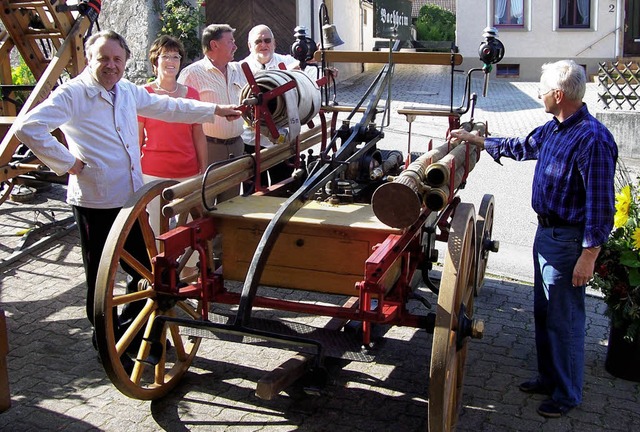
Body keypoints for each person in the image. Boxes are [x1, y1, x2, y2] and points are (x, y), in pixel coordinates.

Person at [14, 30, 241, 357]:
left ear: (125, 62)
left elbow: (170, 106)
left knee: (143, 272)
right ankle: (105, 343)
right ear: (90, 59)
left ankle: (136, 336)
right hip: (95, 200)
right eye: (103, 58)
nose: (111, 65)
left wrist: (215, 111)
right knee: (100, 278)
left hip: (130, 200)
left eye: (117, 59)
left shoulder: (127, 91)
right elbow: (27, 128)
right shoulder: (72, 94)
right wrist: (69, 164)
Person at [449, 60, 618, 418]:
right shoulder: (556, 128)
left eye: (542, 88)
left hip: (569, 242)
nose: (539, 93)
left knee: (565, 320)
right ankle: (548, 377)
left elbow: (601, 207)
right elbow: (519, 145)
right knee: (544, 313)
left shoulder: (593, 139)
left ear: (558, 94)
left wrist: (589, 256)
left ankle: (567, 394)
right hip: (546, 234)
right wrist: (474, 139)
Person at [138, 35, 207, 235]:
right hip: (153, 171)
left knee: (190, 226)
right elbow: (137, 138)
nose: (171, 61)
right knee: (158, 227)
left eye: (176, 57)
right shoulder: (144, 94)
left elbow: (198, 133)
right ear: (155, 61)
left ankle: (189, 266)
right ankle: (161, 265)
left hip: (187, 170)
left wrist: (203, 168)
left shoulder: (192, 94)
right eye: (165, 56)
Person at [178, 24, 247, 201]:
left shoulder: (239, 70)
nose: (235, 46)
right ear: (214, 45)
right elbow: (182, 113)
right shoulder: (192, 73)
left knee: (230, 205)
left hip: (236, 148)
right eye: (230, 41)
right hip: (207, 149)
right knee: (204, 204)